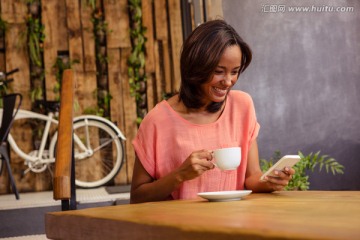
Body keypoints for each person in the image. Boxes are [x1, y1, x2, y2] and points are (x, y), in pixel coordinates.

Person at [130, 19, 295, 203]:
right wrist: (180, 175)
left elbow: (252, 177)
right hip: (180, 228)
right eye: (219, 71)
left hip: (234, 223)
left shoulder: (242, 105)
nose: (228, 81)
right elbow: (137, 197)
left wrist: (270, 181)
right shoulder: (157, 121)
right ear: (196, 67)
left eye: (235, 71)